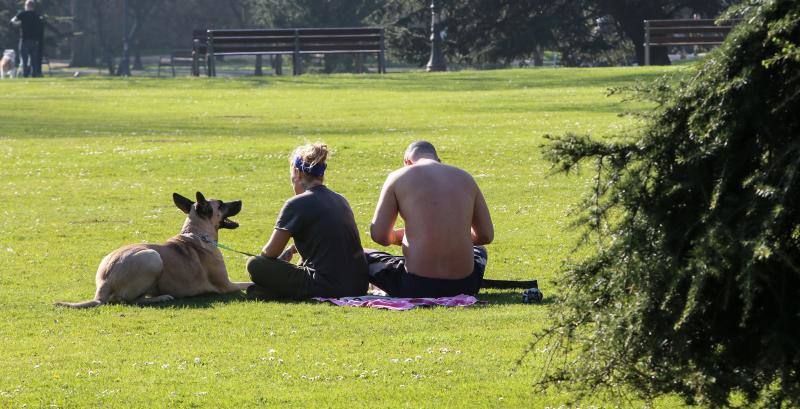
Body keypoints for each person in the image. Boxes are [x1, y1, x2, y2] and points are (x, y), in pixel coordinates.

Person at [366, 141, 494, 298]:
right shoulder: (465, 177)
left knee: (361, 255)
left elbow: (379, 236)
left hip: (417, 285)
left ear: (407, 161)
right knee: (479, 250)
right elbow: (486, 235)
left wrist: (399, 237)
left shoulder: (398, 177)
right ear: (439, 160)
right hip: (466, 285)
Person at [246, 142, 369, 300]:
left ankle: (273, 292)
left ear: (297, 173)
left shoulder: (296, 203)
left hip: (327, 286)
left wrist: (279, 261)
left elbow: (269, 252)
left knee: (255, 264)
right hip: (358, 285)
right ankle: (272, 292)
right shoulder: (340, 199)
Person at [10, 0, 45, 78]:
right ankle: (34, 75)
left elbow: (12, 21)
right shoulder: (37, 15)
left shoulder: (22, 14)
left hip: (24, 40)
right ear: (33, 6)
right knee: (34, 60)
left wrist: (17, 24)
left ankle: (25, 75)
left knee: (24, 60)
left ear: (26, 6)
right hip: (35, 41)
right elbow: (41, 27)